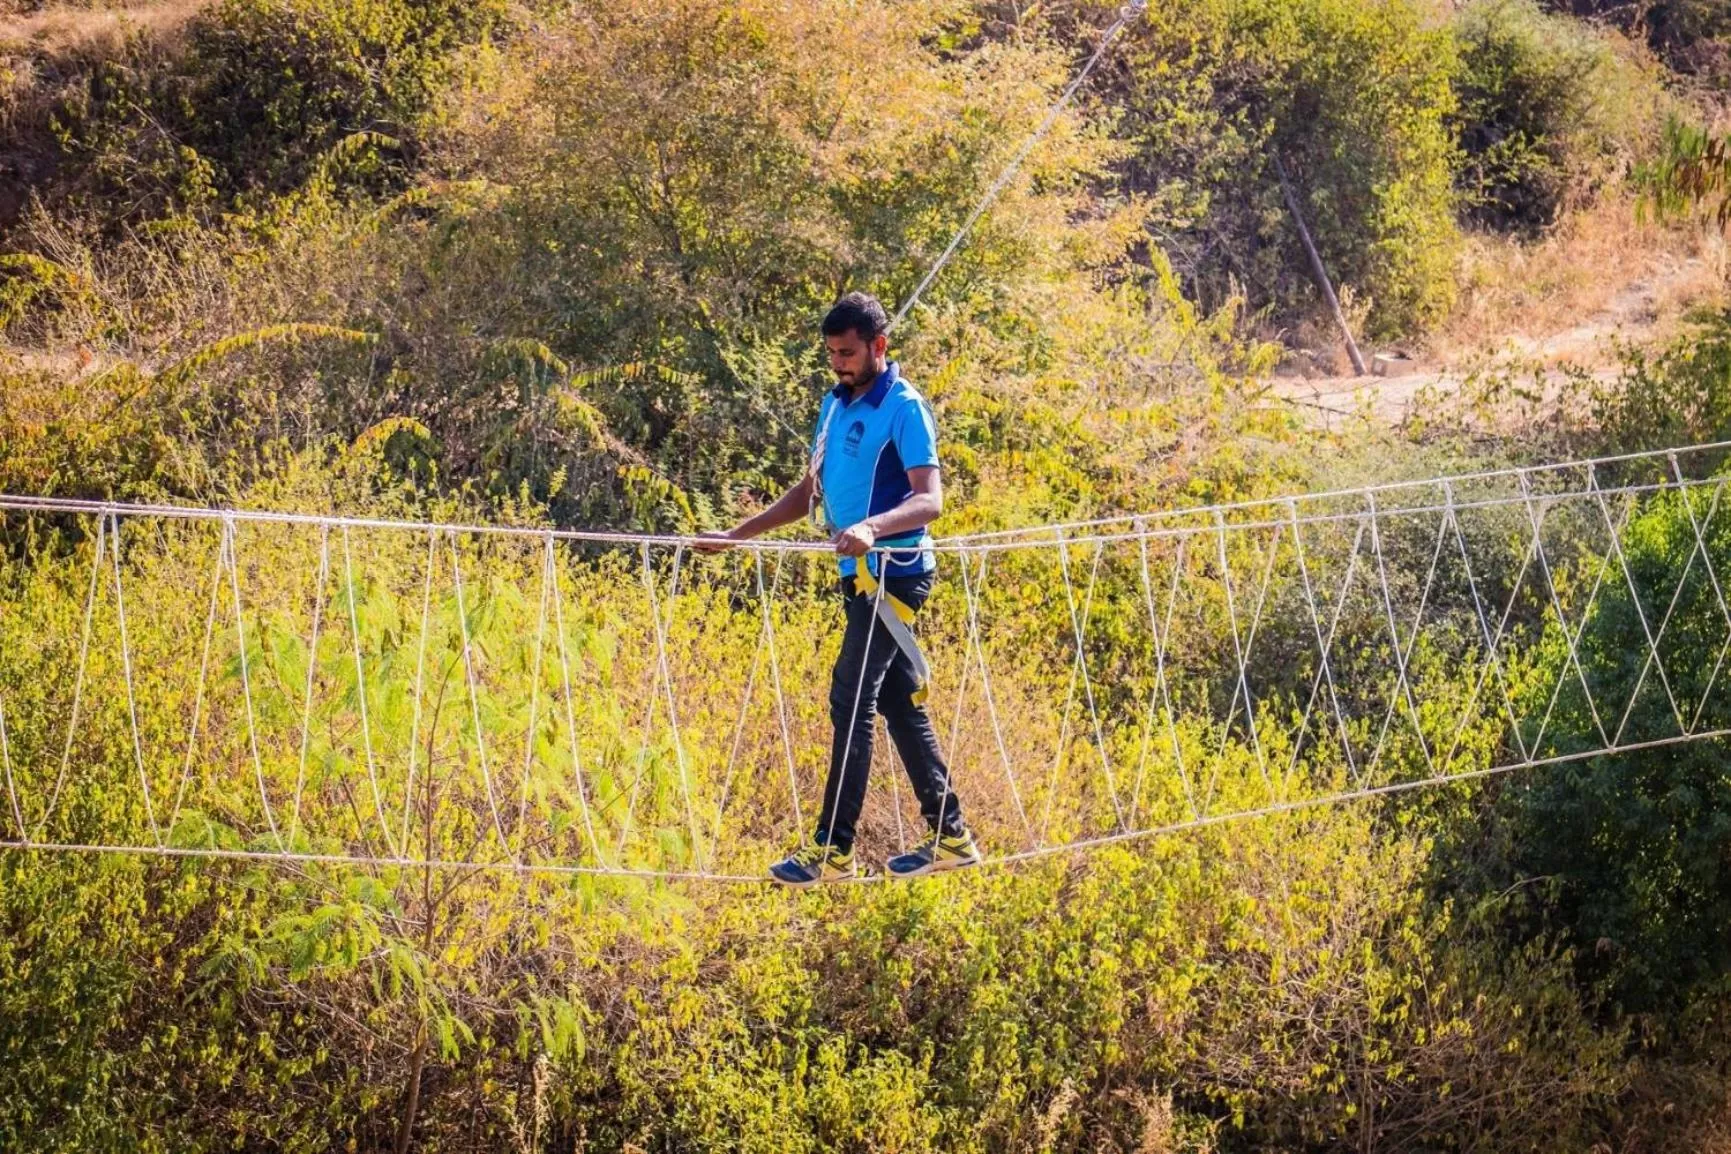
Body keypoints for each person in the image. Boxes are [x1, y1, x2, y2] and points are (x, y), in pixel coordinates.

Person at [696, 292, 980, 886]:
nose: (839, 364)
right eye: (830, 354)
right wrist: (735, 536)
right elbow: (807, 496)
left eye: (848, 353)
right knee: (897, 702)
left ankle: (833, 851)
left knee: (850, 699)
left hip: (896, 574)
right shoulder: (834, 404)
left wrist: (872, 528)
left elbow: (931, 499)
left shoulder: (904, 407)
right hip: (858, 578)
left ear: (879, 346)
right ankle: (950, 834)